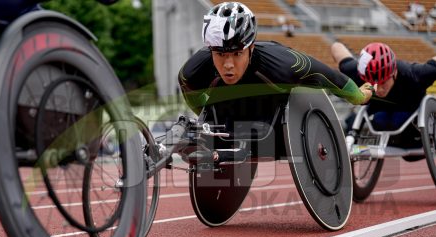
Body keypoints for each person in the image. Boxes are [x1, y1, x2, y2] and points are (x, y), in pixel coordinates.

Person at [178, 2, 372, 163]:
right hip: (229, 120)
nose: (228, 64)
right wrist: (206, 123)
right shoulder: (192, 72)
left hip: (273, 121)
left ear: (251, 48)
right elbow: (199, 104)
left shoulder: (284, 64)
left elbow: (328, 76)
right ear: (211, 50)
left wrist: (357, 96)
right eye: (220, 54)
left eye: (237, 54)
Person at [331, 41, 436, 151]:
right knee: (351, 120)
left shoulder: (414, 74)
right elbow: (336, 46)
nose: (379, 89)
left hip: (414, 125)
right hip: (382, 119)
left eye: (384, 82)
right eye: (373, 83)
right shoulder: (358, 72)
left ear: (394, 73)